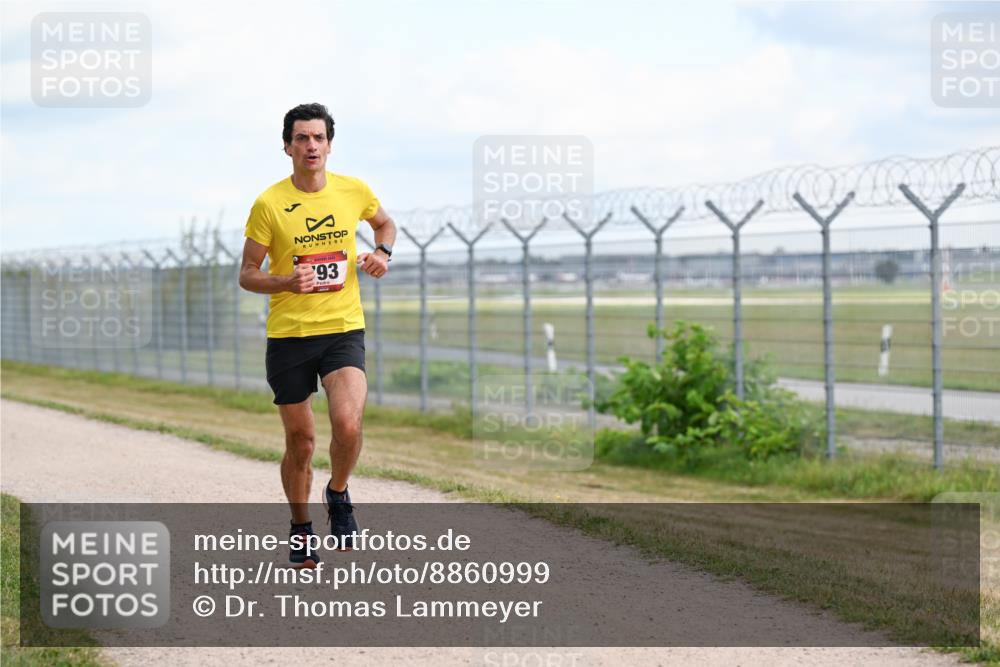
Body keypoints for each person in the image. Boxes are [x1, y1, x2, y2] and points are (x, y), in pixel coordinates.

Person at [239, 103, 396, 567]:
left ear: (329, 144)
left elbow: (384, 224)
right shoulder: (269, 203)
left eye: (319, 138)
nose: (311, 146)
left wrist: (382, 253)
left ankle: (338, 492)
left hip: (342, 328)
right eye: (302, 138)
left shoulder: (353, 190)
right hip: (289, 336)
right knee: (301, 441)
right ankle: (301, 526)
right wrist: (285, 281)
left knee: (348, 424)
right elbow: (248, 274)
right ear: (287, 146)